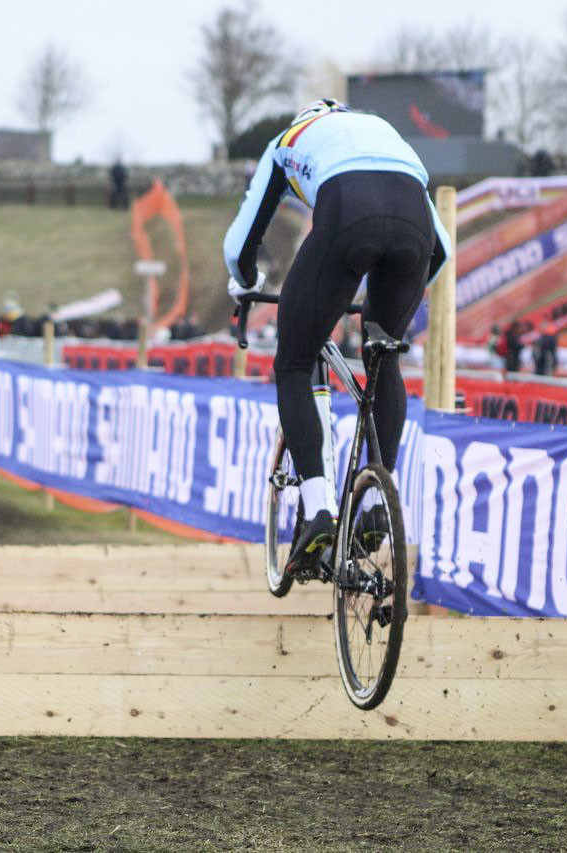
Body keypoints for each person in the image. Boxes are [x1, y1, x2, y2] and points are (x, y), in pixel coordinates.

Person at [223, 98, 449, 573]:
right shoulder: (383, 131)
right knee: (383, 359)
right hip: (414, 229)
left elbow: (241, 244)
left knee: (293, 363)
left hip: (348, 211)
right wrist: (391, 306)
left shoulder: (286, 143)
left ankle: (319, 510)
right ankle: (375, 504)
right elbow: (442, 250)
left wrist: (244, 284)